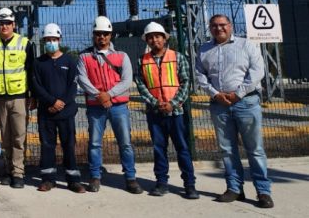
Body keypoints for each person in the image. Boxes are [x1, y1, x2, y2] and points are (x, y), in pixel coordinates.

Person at [196, 14, 272, 208]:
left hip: (246, 102)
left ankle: (263, 192)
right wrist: (215, 94)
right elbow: (200, 76)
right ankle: (234, 189)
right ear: (209, 28)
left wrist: (238, 93)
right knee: (227, 150)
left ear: (230, 26)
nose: (218, 28)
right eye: (214, 26)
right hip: (219, 105)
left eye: (222, 25)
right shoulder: (204, 49)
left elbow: (257, 71)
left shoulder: (246, 45)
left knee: (254, 149)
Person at [77, 16, 141, 194]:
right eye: (98, 34)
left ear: (111, 35)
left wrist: (109, 95)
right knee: (95, 143)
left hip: (118, 105)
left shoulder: (122, 56)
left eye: (105, 34)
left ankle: (130, 178)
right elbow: (83, 79)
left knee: (125, 143)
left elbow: (127, 80)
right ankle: (95, 176)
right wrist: (99, 95)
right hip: (95, 105)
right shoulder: (85, 57)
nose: (102, 37)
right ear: (93, 35)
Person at [133, 22, 197, 199]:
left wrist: (173, 103)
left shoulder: (178, 57)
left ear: (164, 38)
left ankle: (189, 185)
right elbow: (141, 85)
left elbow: (185, 82)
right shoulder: (142, 61)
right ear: (147, 40)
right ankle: (161, 183)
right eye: (150, 37)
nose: (154, 40)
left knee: (182, 148)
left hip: (176, 112)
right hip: (155, 113)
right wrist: (155, 103)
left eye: (157, 36)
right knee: (159, 148)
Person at [31, 23, 85, 193]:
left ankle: (73, 180)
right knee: (47, 146)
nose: (51, 42)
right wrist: (51, 102)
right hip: (46, 113)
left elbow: (73, 85)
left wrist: (61, 103)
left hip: (66, 112)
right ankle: (48, 179)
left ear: (59, 39)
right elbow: (36, 86)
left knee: (69, 145)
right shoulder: (38, 63)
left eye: (53, 39)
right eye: (47, 40)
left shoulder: (69, 61)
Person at [0, 7, 33, 189]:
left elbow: (31, 70)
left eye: (7, 23)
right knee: (4, 136)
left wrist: (31, 95)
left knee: (19, 136)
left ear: (14, 25)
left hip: (19, 96)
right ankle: (5, 170)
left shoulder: (25, 43)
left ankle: (18, 172)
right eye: (1, 23)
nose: (4, 26)